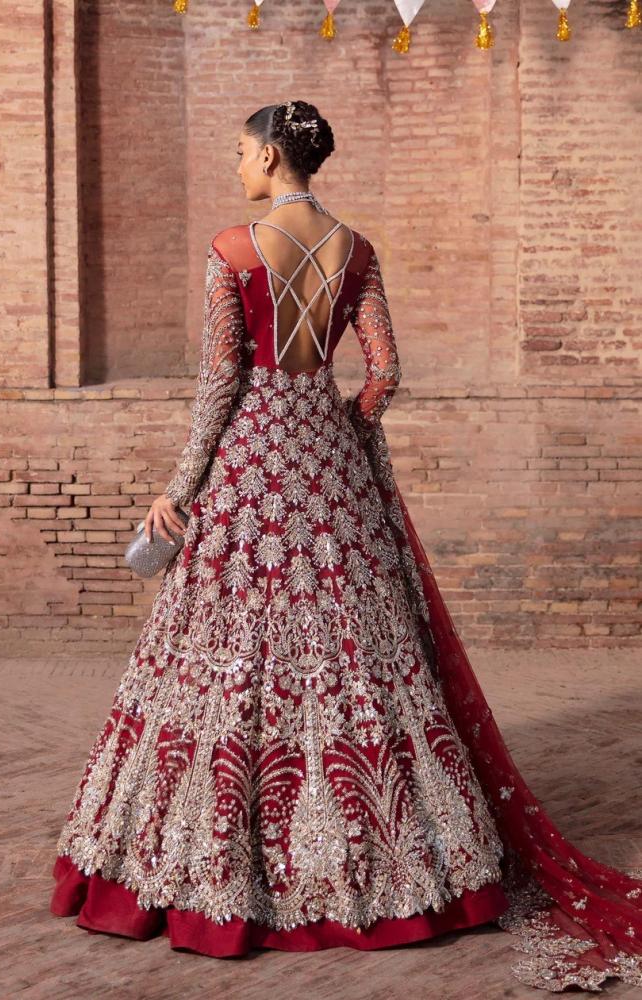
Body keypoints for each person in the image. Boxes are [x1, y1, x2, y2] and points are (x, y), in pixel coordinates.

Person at [49, 100, 642, 992]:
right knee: (354, 644)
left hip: (251, 458)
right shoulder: (355, 250)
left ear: (271, 156)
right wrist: (343, 431)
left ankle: (217, 869)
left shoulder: (234, 248)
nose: (237, 165)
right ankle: (401, 866)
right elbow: (386, 371)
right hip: (330, 461)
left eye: (241, 151)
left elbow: (220, 382)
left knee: (229, 644)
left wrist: (181, 487)